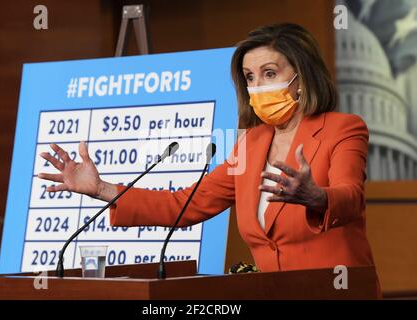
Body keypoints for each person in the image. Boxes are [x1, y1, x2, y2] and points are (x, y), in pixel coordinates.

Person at [39, 23, 378, 287]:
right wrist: (101, 189)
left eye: (270, 73)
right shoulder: (249, 144)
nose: (257, 86)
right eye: (249, 77)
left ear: (301, 78)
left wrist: (317, 197)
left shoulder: (342, 128)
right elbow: (182, 204)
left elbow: (350, 196)